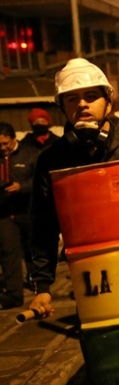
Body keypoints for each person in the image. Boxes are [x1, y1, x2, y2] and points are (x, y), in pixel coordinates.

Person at [25, 57, 119, 385]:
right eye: (72, 98)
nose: (82, 104)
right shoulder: (52, 159)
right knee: (106, 363)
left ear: (108, 102)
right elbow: (42, 224)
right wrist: (42, 284)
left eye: (90, 96)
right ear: (63, 108)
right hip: (93, 283)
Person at [0, 122, 40, 309]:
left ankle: (39, 284)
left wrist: (21, 187)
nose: (3, 148)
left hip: (28, 210)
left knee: (34, 250)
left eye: (5, 143)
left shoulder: (31, 154)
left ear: (13, 139)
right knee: (9, 253)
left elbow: (40, 180)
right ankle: (14, 295)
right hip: (6, 213)